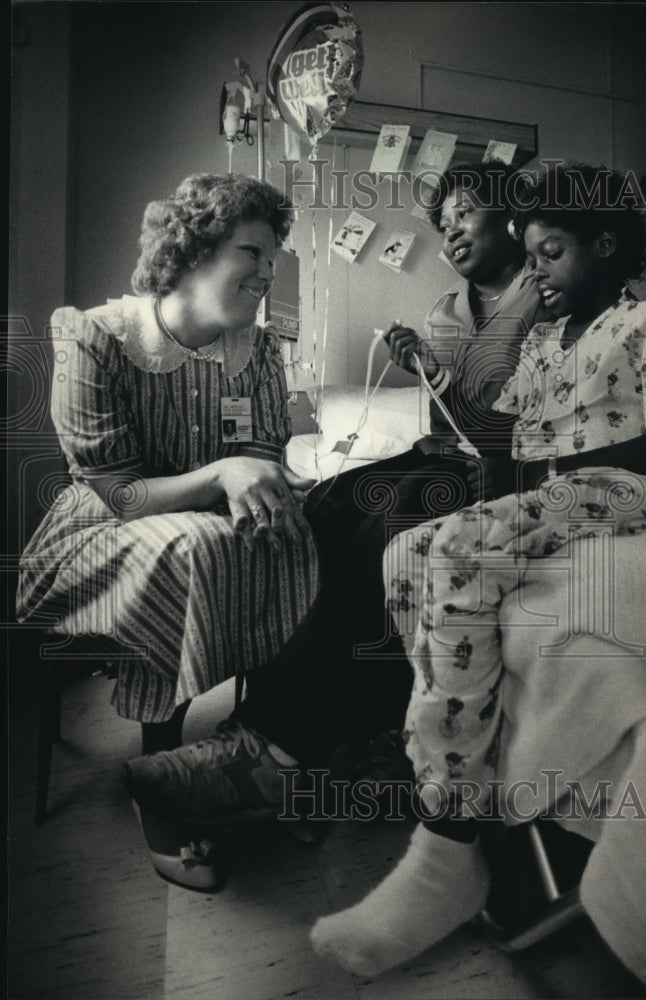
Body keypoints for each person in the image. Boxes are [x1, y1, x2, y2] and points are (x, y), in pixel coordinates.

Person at [309, 162, 646, 977]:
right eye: (529, 259)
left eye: (552, 253)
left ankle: (447, 842)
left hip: (645, 490)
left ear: (605, 247)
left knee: (459, 552)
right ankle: (454, 781)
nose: (538, 274)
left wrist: (551, 473)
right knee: (407, 554)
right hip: (568, 490)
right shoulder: (540, 345)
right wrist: (430, 372)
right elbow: (493, 437)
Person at [121, 161, 551, 853]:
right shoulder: (445, 311)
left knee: (400, 513)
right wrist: (428, 369)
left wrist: (449, 369)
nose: (450, 237)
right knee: (327, 500)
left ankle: (277, 748)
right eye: (441, 228)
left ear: (509, 219)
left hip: (506, 468)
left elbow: (506, 429)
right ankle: (309, 731)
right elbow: (449, 419)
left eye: (463, 217)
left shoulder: (546, 296)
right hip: (446, 451)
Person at [16, 173, 319, 887]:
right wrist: (223, 475)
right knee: (192, 548)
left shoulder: (261, 351)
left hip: (204, 526)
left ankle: (256, 762)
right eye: (253, 252)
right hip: (98, 533)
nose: (268, 272)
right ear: (190, 253)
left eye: (274, 258)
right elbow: (117, 490)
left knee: (299, 533)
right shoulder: (96, 335)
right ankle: (165, 783)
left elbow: (266, 454)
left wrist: (264, 484)